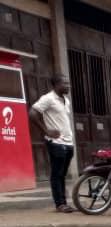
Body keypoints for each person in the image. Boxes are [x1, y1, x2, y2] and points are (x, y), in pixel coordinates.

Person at [30, 74, 75, 213]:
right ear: (56, 85)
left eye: (68, 83)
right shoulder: (48, 98)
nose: (68, 86)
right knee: (57, 174)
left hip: (68, 142)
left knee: (62, 175)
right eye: (65, 83)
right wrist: (46, 130)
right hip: (56, 142)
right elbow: (32, 113)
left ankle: (64, 203)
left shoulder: (66, 100)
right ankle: (59, 204)